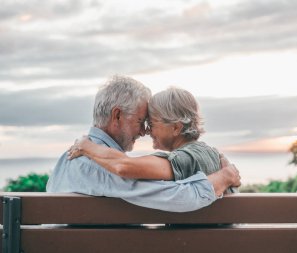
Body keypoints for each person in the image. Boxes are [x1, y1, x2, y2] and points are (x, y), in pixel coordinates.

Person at [46, 75, 240, 212]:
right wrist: (225, 176)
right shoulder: (104, 167)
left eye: (149, 123)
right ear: (117, 116)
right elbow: (182, 198)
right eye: (140, 121)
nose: (143, 131)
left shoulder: (68, 158)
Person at [68, 87, 238, 193]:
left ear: (176, 128)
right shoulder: (211, 154)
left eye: (152, 123)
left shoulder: (186, 158)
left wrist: (86, 146)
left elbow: (124, 166)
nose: (147, 131)